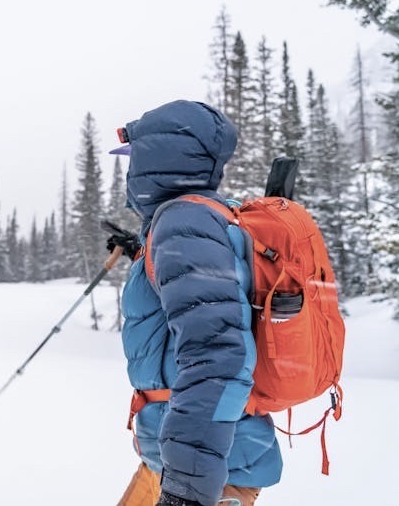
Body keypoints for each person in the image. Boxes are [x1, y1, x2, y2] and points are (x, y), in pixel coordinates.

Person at [106, 100, 283, 506]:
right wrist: (141, 252)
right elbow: (186, 301)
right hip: (174, 458)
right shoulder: (193, 221)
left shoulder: (184, 223)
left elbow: (218, 353)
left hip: (206, 476)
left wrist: (187, 489)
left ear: (155, 159)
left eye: (133, 158)